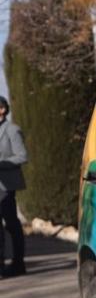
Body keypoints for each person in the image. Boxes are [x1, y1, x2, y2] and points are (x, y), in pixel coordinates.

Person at [0, 95, 28, 278]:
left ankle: (18, 264)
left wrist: (0, 163)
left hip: (6, 187)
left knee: (12, 225)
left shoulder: (12, 130)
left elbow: (22, 156)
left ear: (2, 109)